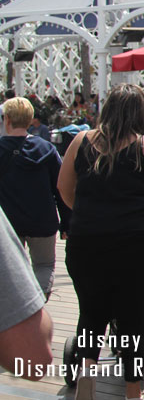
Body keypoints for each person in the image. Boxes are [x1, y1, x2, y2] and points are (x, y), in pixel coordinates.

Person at [56, 83, 144, 400]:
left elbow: (64, 189)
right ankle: (133, 390)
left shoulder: (80, 141)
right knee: (132, 315)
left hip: (87, 239)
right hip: (135, 241)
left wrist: (92, 212)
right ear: (140, 112)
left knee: (90, 311)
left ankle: (87, 377)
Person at [0, 97, 69, 299]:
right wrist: (67, 223)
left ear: (7, 120)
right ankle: (38, 301)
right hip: (42, 221)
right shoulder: (46, 149)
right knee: (44, 265)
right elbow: (60, 188)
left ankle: (20, 308)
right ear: (31, 120)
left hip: (9, 224)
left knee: (10, 270)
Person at [0, 207, 53, 380]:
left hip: (15, 217)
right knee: (44, 265)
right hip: (41, 219)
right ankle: (35, 303)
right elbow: (34, 359)